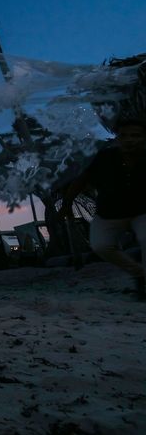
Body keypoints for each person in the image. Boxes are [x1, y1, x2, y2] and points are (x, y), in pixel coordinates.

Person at [61, 120, 146, 300]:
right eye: (124, 136)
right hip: (109, 213)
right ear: (118, 138)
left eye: (135, 135)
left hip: (141, 211)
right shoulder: (105, 158)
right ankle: (139, 273)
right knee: (101, 246)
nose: (130, 140)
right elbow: (81, 179)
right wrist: (67, 204)